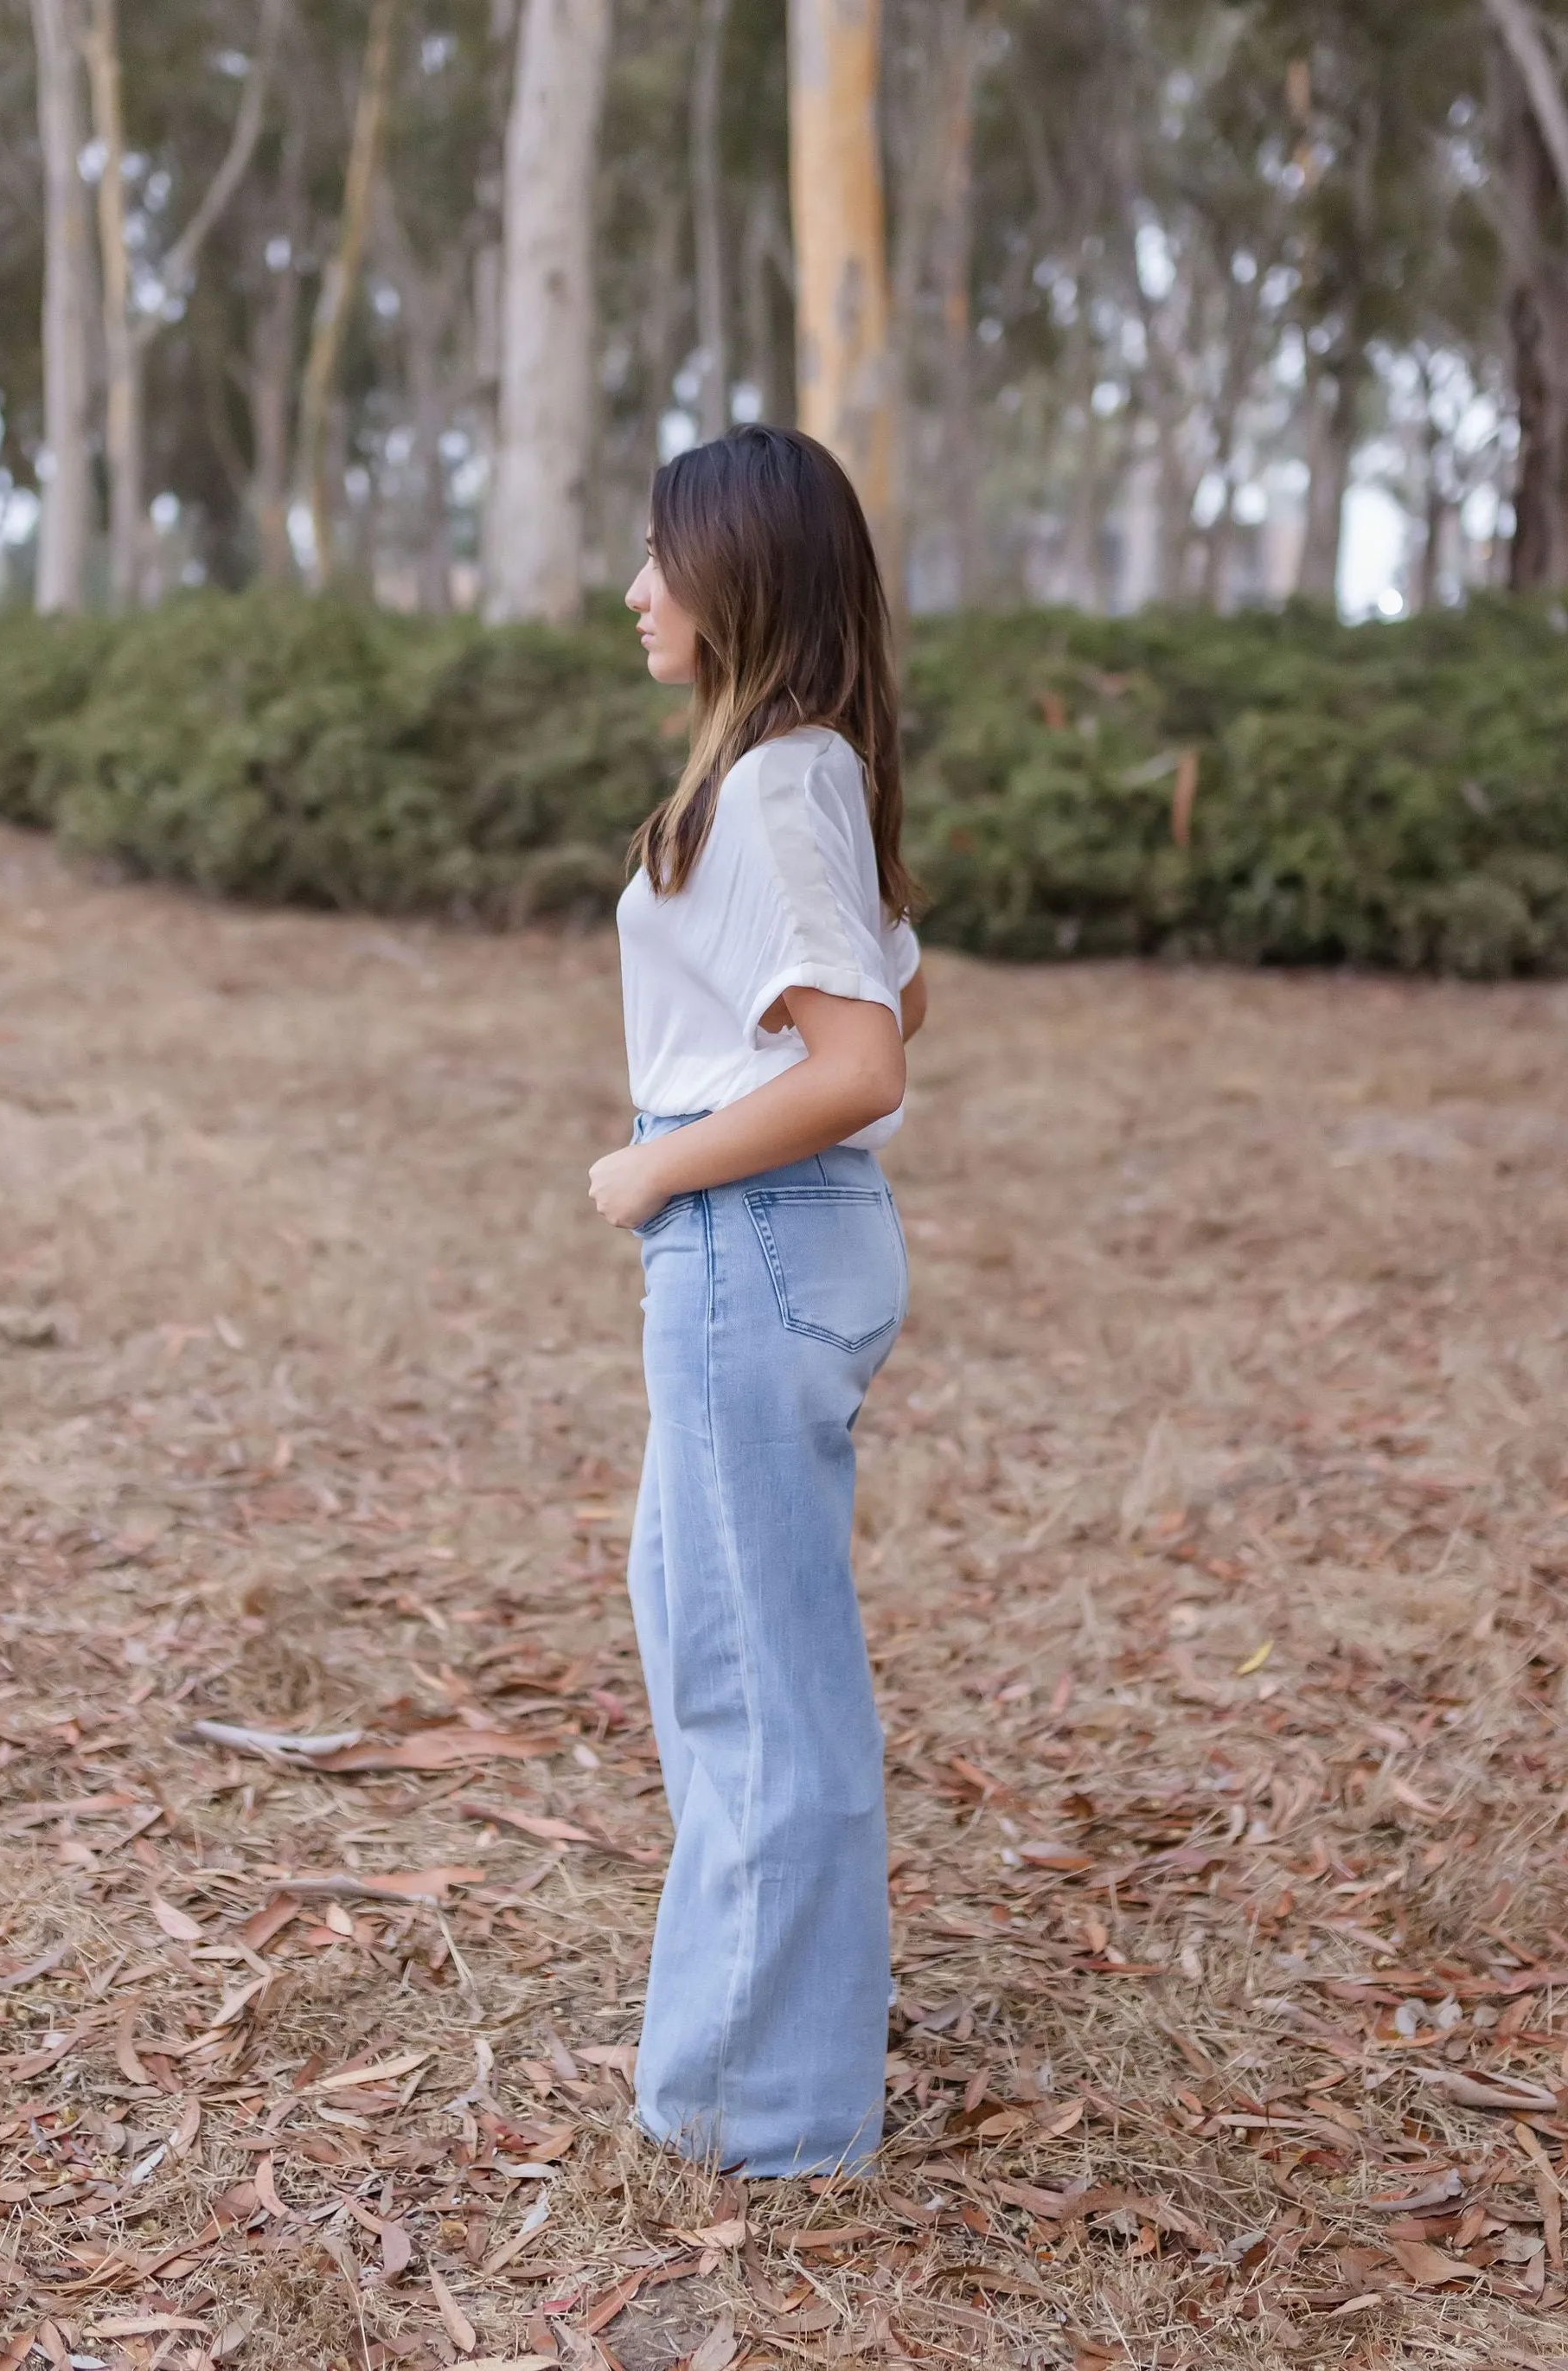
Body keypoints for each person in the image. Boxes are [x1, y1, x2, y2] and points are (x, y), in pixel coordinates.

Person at [587, 424, 928, 2177]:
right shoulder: (799, 773)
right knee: (706, 1623)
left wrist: (660, 1163)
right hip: (771, 1229)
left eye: (660, 556)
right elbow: (894, 996)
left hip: (742, 1225)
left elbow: (859, 1056)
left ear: (736, 577)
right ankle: (759, 2047)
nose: (636, 588)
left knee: (752, 1667)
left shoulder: (784, 777)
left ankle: (765, 2111)